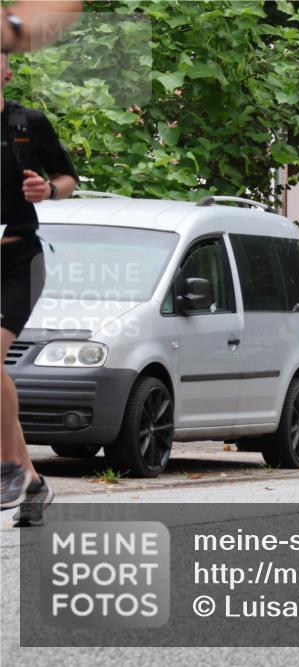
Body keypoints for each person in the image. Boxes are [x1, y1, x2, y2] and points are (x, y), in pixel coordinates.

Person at [1, 52, 79, 515]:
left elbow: (67, 179)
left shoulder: (27, 124)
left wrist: (48, 191)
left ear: (7, 73)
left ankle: (8, 467)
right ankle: (29, 479)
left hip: (18, 260)